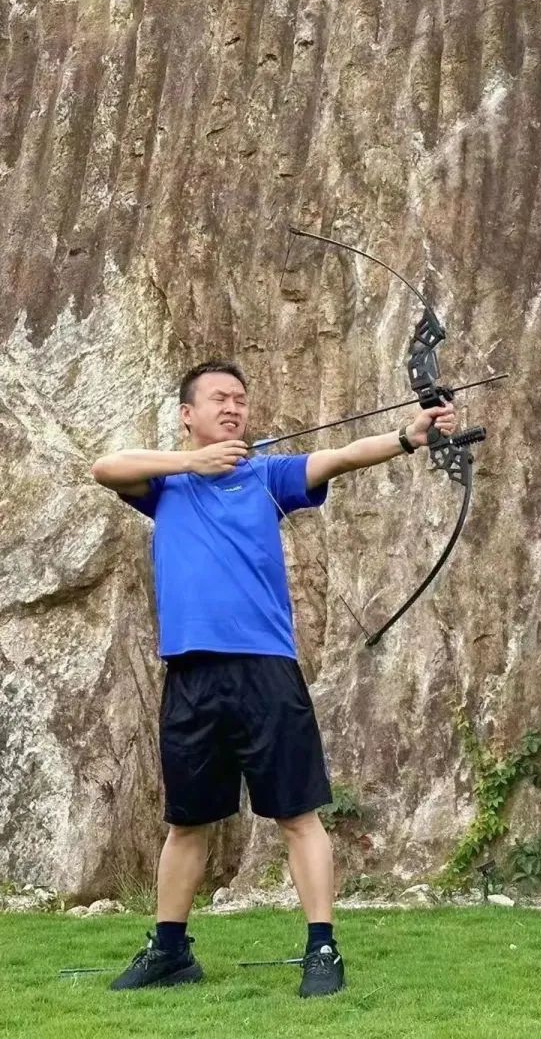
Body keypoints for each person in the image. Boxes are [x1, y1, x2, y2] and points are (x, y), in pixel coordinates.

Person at [90, 359, 455, 997]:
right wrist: (192, 463)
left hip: (265, 669)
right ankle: (170, 952)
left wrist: (407, 436)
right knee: (187, 822)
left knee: (297, 815)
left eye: (240, 399)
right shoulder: (164, 483)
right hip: (192, 672)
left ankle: (322, 948)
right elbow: (104, 466)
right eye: (219, 398)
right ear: (188, 415)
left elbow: (340, 456)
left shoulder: (267, 475)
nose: (233, 407)